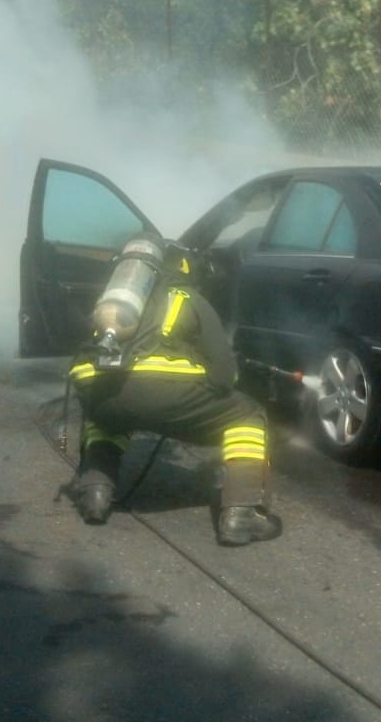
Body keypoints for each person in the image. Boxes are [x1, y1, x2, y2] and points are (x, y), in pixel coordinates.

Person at [66, 234, 282, 547]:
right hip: (164, 393)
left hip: (97, 387)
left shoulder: (116, 304)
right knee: (247, 415)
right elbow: (223, 373)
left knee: (108, 418)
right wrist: (212, 391)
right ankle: (240, 514)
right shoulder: (187, 298)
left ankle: (95, 493)